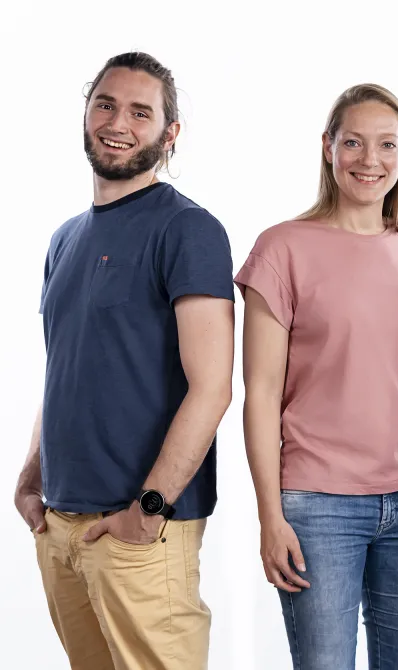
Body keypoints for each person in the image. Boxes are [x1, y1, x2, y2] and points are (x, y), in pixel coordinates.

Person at [13, 52, 235, 670]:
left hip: (139, 529)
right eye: (106, 103)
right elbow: (64, 369)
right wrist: (32, 477)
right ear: (86, 113)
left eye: (142, 111)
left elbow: (213, 385)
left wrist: (152, 507)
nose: (119, 122)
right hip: (60, 524)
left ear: (169, 135)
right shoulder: (65, 238)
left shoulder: (188, 229)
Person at [235, 83, 398, 670]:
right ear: (328, 147)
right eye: (354, 142)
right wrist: (270, 515)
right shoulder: (281, 248)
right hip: (317, 504)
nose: (370, 159)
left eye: (387, 144)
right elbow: (258, 393)